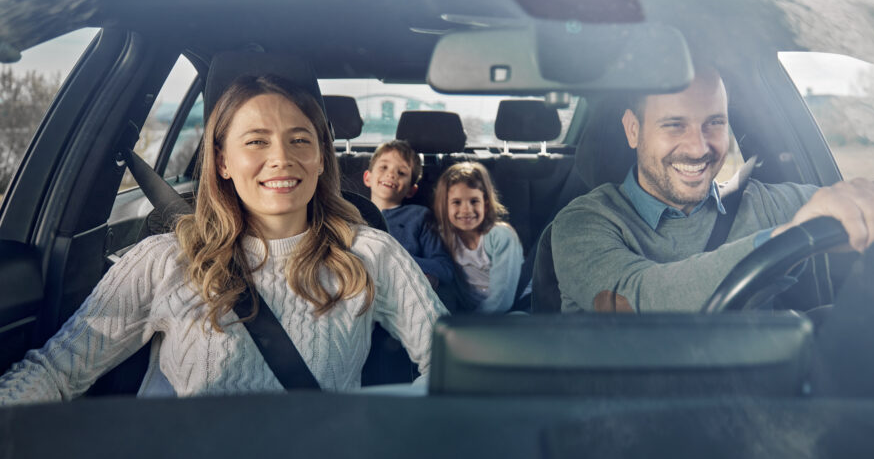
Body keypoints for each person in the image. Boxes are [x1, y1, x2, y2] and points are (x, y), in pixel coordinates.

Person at [0, 75, 446, 404]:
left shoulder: (371, 255)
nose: (281, 159)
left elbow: (452, 370)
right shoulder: (165, 260)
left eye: (299, 140)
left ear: (320, 159)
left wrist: (377, 433)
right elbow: (57, 371)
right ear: (223, 162)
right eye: (256, 141)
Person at [552, 64, 874, 313]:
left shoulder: (765, 204)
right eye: (674, 125)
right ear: (633, 130)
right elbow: (636, 300)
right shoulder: (585, 223)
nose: (699, 147)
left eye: (714, 123)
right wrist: (792, 237)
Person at [363, 139, 455, 290]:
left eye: (401, 172)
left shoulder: (419, 216)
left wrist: (399, 259)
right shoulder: (351, 212)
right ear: (367, 178)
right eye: (384, 167)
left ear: (411, 190)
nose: (391, 174)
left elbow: (444, 268)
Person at [434, 162, 524, 313]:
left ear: (486, 205)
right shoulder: (444, 237)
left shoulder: (501, 236)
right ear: (445, 206)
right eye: (456, 202)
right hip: (474, 312)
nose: (466, 210)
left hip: (513, 305)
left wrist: (472, 323)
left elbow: (502, 297)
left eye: (474, 201)